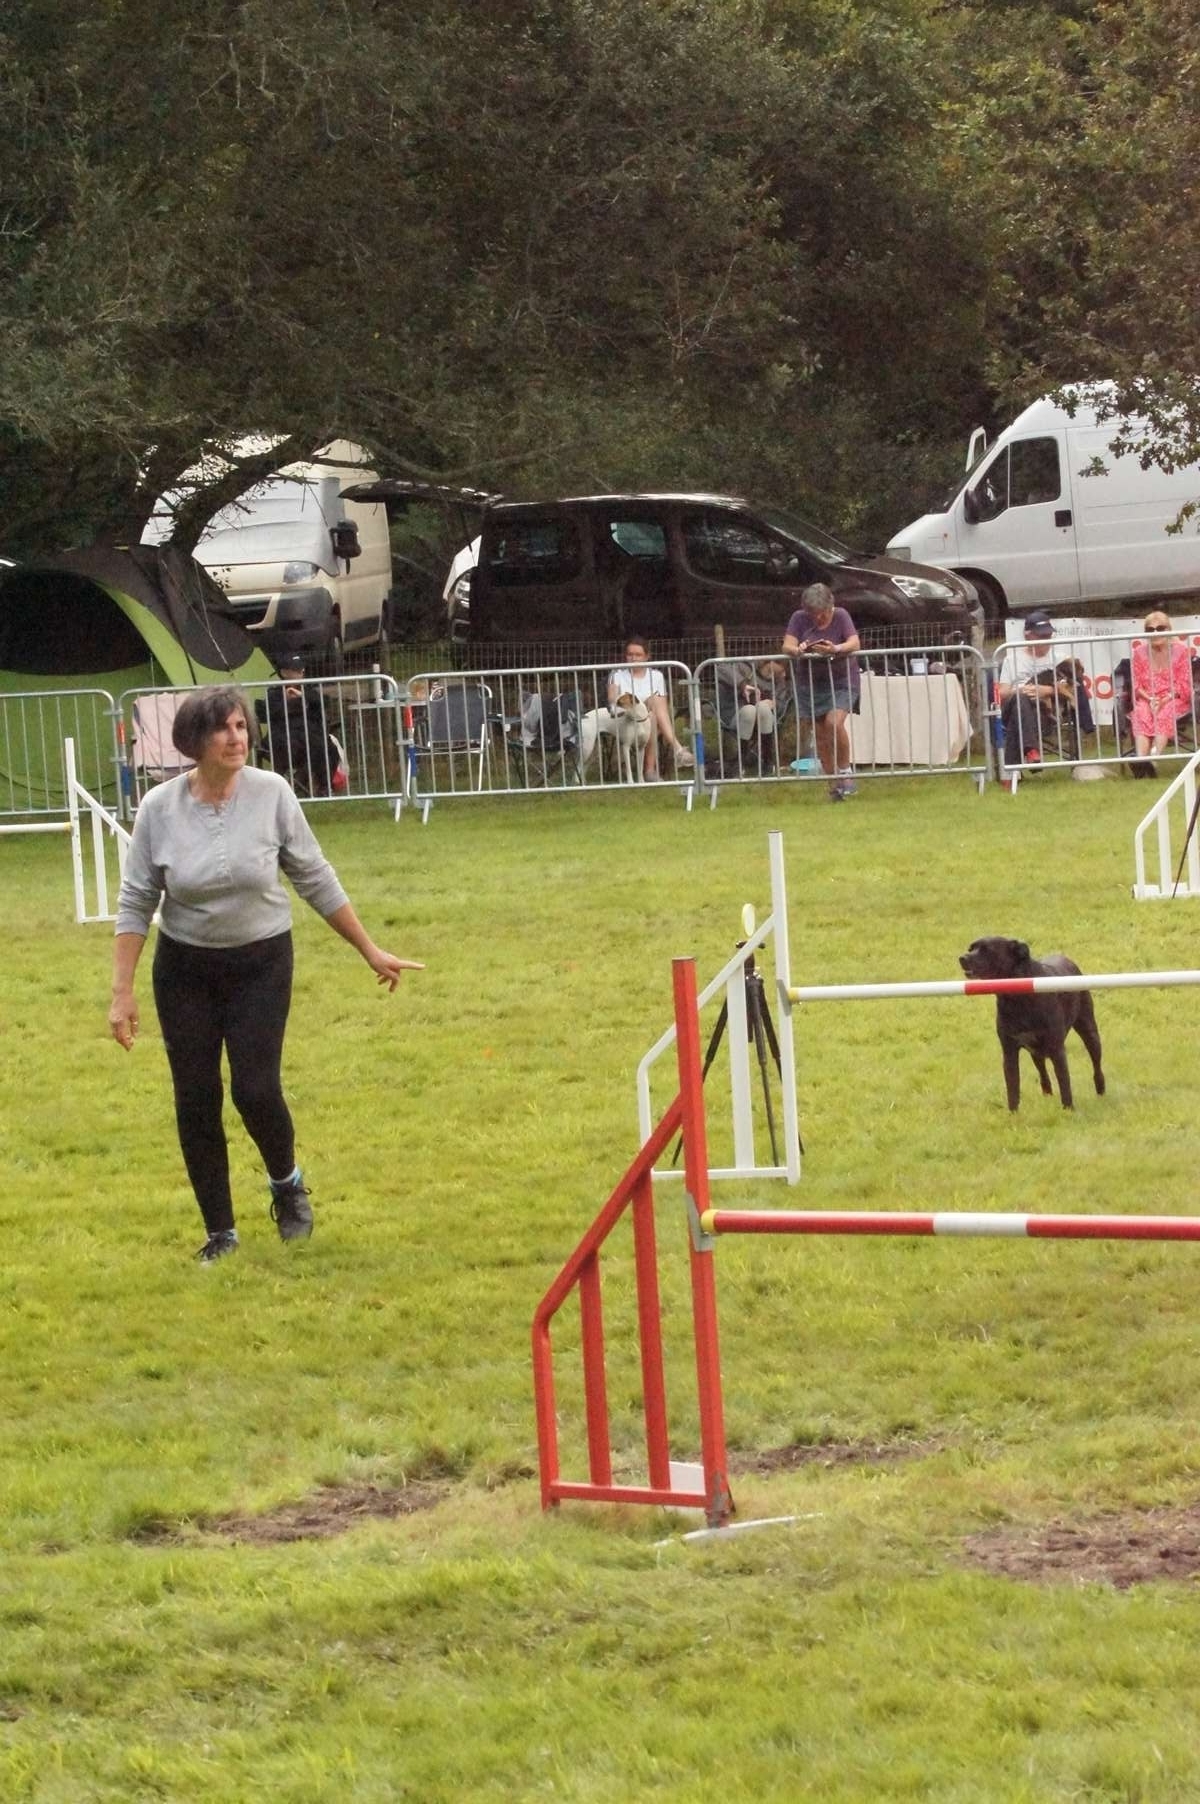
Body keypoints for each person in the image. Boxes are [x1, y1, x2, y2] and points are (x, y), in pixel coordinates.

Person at [108, 685, 422, 1262]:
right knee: (196, 1096)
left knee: (255, 1089)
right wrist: (121, 991)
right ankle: (221, 1232)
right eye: (223, 729)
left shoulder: (272, 793)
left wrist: (369, 950)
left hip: (260, 962)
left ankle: (287, 1186)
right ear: (194, 741)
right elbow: (135, 900)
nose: (236, 738)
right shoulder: (159, 807)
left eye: (241, 727)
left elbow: (314, 876)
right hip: (184, 969)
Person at [782, 582, 860, 800]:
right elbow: (786, 645)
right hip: (810, 683)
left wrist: (836, 648)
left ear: (830, 606)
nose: (818, 618)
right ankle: (833, 785)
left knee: (833, 723)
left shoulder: (842, 615)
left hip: (842, 679)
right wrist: (797, 650)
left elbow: (854, 643)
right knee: (821, 735)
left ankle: (845, 772)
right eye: (813, 614)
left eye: (822, 614)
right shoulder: (798, 618)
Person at [585, 637, 695, 780]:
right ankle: (676, 751)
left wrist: (643, 709)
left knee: (654, 712)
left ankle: (650, 769)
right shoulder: (617, 674)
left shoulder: (656, 676)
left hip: (649, 717)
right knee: (652, 716)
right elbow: (613, 700)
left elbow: (662, 703)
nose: (633, 658)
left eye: (638, 655)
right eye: (630, 654)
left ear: (647, 657)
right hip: (626, 718)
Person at [995, 609, 1094, 768]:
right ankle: (1030, 750)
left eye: (1048, 636)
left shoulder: (1061, 659)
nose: (1046, 640)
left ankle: (1015, 768)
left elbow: (1074, 689)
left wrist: (1045, 691)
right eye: (1041, 636)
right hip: (1016, 706)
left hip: (1046, 714)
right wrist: (1022, 690)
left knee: (1017, 718)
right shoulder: (1011, 659)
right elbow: (1001, 693)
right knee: (1020, 701)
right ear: (1027, 636)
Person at [1130, 611, 1193, 760]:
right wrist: (1150, 699)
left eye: (1160, 628)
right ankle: (1141, 761)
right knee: (1141, 712)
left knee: (1166, 712)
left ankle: (1154, 759)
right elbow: (1136, 683)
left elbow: (1184, 683)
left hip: (1174, 698)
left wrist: (1166, 699)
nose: (1155, 633)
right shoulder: (1139, 652)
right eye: (1150, 630)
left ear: (1168, 630)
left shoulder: (1181, 650)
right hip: (1147, 697)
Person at [714, 658, 787, 774]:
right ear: (771, 661)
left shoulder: (779, 681)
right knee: (749, 710)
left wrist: (774, 703)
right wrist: (742, 685)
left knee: (763, 708)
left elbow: (781, 703)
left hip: (765, 720)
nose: (784, 673)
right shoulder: (745, 667)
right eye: (784, 666)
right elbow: (720, 669)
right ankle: (740, 762)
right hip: (737, 715)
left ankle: (767, 761)